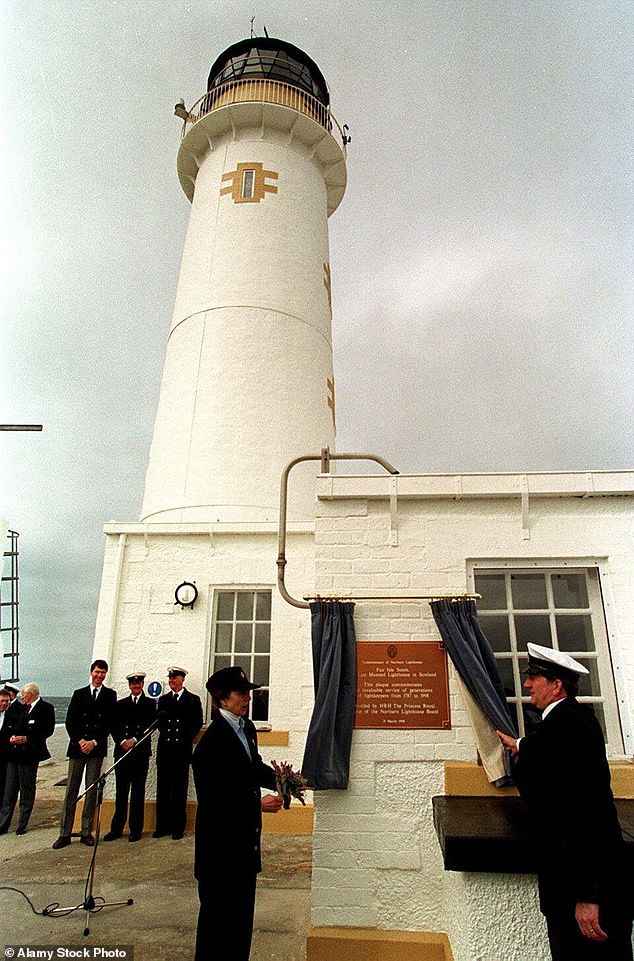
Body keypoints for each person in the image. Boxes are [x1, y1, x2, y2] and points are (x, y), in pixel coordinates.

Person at [497, 643, 633, 961]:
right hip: (573, 891)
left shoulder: (569, 726)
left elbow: (586, 814)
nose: (527, 684)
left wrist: (589, 895)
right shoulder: (568, 721)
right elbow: (549, 754)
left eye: (535, 678)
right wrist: (519, 745)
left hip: (585, 896)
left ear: (556, 686)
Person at [192, 666, 283, 961]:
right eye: (241, 693)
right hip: (219, 853)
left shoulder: (247, 728)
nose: (248, 698)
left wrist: (283, 780)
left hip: (244, 848)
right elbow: (215, 800)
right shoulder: (210, 745)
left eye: (248, 693)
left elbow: (252, 767)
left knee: (241, 926)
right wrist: (257, 804)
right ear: (222, 698)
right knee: (217, 930)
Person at [53, 659, 117, 849]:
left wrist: (94, 742)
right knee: (71, 789)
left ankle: (86, 831)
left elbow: (108, 723)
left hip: (96, 748)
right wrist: (80, 741)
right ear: (91, 672)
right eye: (97, 672)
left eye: (103, 673)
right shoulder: (79, 694)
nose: (99, 676)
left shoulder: (109, 695)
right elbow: (70, 721)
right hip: (77, 748)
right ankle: (64, 832)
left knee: (91, 790)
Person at [104, 671, 157, 842]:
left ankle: (136, 829)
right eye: (133, 684)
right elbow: (113, 725)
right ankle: (117, 828)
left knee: (137, 793)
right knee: (121, 792)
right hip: (122, 753)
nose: (136, 686)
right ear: (129, 686)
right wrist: (121, 741)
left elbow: (150, 725)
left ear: (142, 685)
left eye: (139, 683)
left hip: (139, 753)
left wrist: (134, 740)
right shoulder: (120, 704)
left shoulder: (149, 704)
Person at [153, 667, 203, 840]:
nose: (171, 681)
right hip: (165, 751)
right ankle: (161, 826)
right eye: (170, 678)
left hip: (181, 751)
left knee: (179, 791)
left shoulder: (193, 700)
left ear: (182, 679)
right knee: (163, 790)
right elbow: (160, 723)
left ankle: (177, 828)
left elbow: (196, 723)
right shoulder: (163, 700)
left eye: (175, 678)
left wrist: (183, 738)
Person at [0, 682, 55, 835]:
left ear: (30, 694)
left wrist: (27, 739)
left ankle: (22, 824)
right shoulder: (21, 708)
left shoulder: (46, 708)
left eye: (23, 695)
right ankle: (3, 824)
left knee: (26, 790)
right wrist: (13, 738)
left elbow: (47, 731)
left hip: (29, 756)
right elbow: (12, 726)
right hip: (14, 755)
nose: (21, 698)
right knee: (9, 791)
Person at [0, 690, 11, 804]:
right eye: (2, 701)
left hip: (4, 760)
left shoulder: (10, 716)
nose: (4, 703)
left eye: (6, 701)